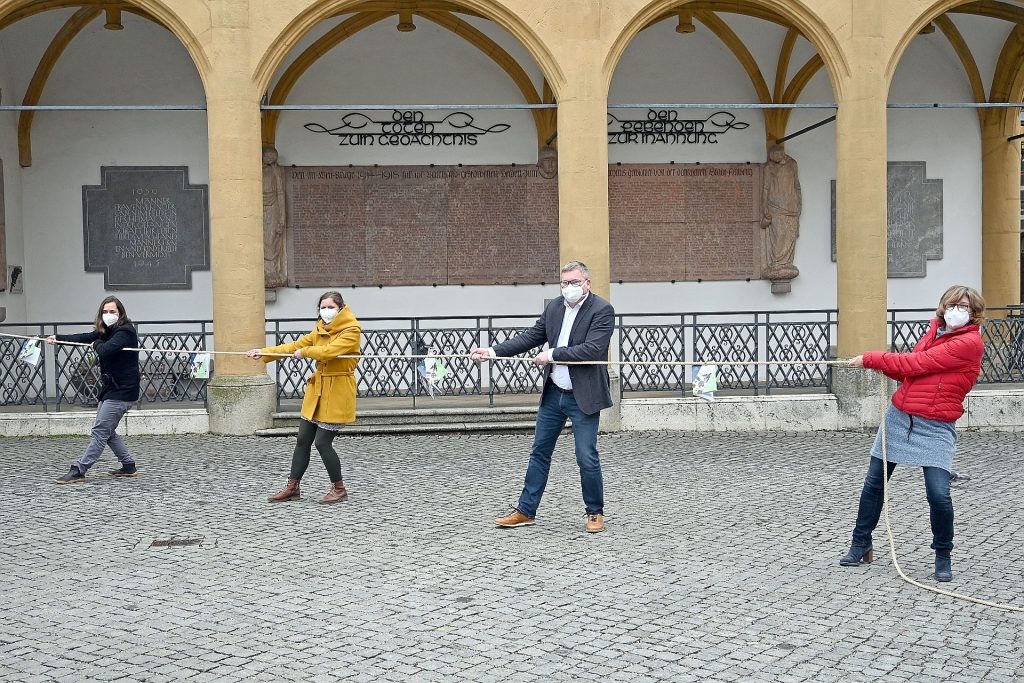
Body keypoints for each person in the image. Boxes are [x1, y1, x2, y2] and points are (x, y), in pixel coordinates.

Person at [841, 285, 985, 582]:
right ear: (944, 306)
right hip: (899, 418)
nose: (959, 310)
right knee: (874, 484)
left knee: (938, 494)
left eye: (966, 307)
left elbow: (918, 363)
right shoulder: (935, 331)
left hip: (935, 425)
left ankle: (943, 554)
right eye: (954, 304)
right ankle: (861, 543)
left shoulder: (969, 343)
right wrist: (884, 368)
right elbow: (912, 372)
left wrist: (871, 359)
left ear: (974, 314)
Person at [470, 261, 614, 533]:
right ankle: (525, 510)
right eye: (564, 283)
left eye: (574, 282)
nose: (568, 288)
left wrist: (552, 354)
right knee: (539, 452)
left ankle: (595, 512)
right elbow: (531, 337)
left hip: (583, 396)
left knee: (586, 455)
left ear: (587, 283)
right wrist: (492, 352)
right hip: (554, 394)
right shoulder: (555, 308)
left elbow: (593, 350)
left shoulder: (602, 310)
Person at [247, 291, 361, 504]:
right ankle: (292, 487)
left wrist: (307, 352)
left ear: (341, 308)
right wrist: (264, 352)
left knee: (322, 443)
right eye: (323, 307)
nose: (326, 311)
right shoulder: (319, 329)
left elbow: (329, 351)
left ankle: (339, 488)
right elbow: (294, 346)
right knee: (302, 440)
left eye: (330, 307)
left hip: (337, 391)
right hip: (317, 391)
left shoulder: (351, 331)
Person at [47, 296, 141, 483]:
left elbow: (105, 350)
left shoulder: (126, 332)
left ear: (120, 313)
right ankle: (129, 466)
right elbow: (83, 338)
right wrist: (57, 339)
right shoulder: (105, 331)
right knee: (108, 431)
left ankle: (79, 470)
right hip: (110, 388)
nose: (108, 315)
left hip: (123, 391)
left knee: (100, 431)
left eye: (112, 311)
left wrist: (97, 344)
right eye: (105, 312)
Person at [761, 145, 801, 281]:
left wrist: (799, 205)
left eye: (775, 157)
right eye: (771, 157)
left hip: (791, 207)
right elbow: (765, 188)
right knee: (778, 236)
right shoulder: (769, 168)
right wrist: (764, 207)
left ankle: (786, 263)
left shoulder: (792, 164)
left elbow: (797, 185)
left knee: (789, 235)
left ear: (781, 154)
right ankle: (777, 263)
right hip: (775, 207)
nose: (773, 159)